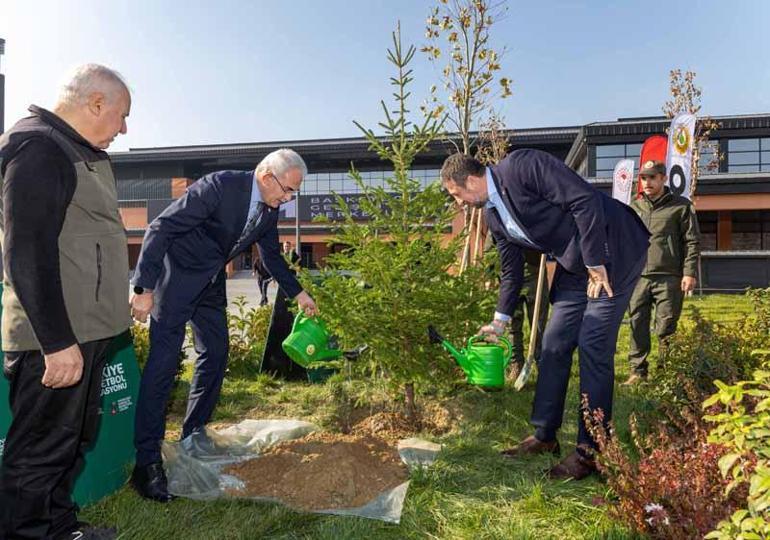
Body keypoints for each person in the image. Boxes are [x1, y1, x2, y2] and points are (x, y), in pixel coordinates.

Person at [441, 150, 649, 480]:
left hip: (612, 249)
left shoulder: (523, 166)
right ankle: (544, 436)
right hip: (574, 263)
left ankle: (590, 452)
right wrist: (499, 321)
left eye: (457, 195)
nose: (461, 203)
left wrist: (596, 264)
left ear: (469, 180)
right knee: (552, 344)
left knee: (593, 344)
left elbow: (584, 200)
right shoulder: (494, 215)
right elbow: (511, 271)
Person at [129, 148, 318, 502]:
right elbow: (161, 227)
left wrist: (299, 293)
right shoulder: (218, 187)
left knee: (215, 354)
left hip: (211, 284)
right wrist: (143, 287)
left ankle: (194, 434)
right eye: (289, 190)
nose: (289, 199)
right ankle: (147, 463)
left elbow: (272, 256)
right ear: (267, 177)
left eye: (295, 193)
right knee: (164, 366)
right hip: (176, 281)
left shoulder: (268, 210)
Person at [0, 64, 131, 540]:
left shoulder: (73, 148)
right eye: (121, 115)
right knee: (39, 452)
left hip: (86, 331)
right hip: (54, 339)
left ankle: (58, 528)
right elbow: (26, 251)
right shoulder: (38, 146)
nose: (123, 128)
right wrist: (56, 342)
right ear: (96, 103)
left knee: (69, 443)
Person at [624, 160, 700, 386]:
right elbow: (625, 240)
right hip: (638, 278)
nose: (647, 182)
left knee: (666, 326)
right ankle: (638, 372)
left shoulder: (681, 206)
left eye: (652, 177)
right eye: (644, 178)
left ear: (663, 179)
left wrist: (689, 273)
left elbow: (692, 241)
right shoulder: (633, 207)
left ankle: (666, 372)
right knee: (637, 323)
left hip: (669, 276)